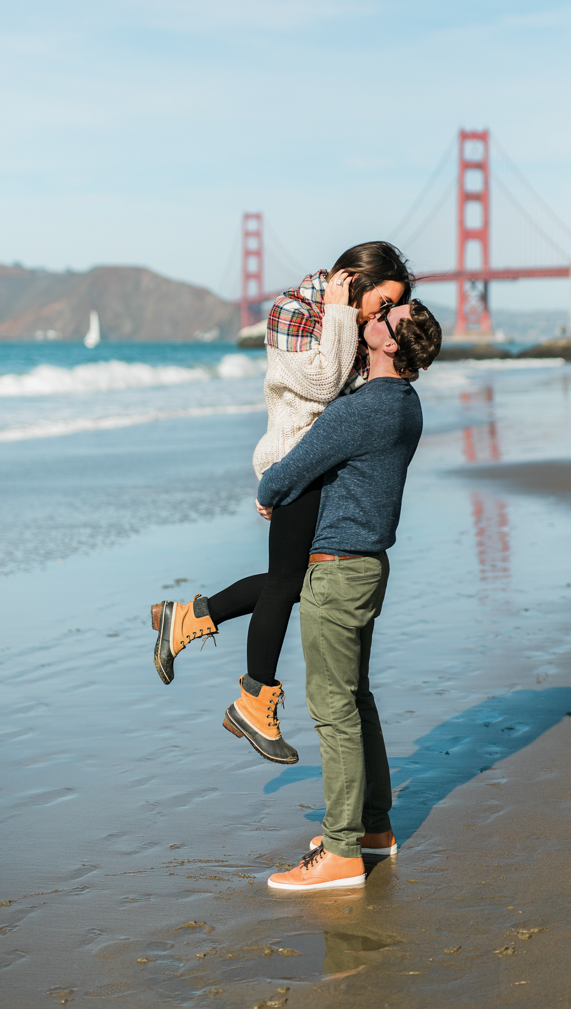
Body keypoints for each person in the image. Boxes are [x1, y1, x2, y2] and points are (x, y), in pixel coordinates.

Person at [151, 242, 413, 764]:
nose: (381, 314)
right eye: (381, 302)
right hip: (294, 460)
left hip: (318, 463)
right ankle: (252, 698)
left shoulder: (352, 320)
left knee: (288, 581)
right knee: (288, 582)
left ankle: (189, 617)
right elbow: (322, 384)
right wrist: (340, 314)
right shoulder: (292, 312)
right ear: (352, 281)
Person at [257, 298, 442, 891]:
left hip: (337, 571)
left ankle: (340, 853)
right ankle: (373, 829)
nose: (376, 312)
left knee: (333, 709)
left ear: (389, 343)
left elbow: (283, 473)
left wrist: (268, 490)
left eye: (387, 312)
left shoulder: (361, 411)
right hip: (366, 568)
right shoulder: (406, 405)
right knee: (356, 699)